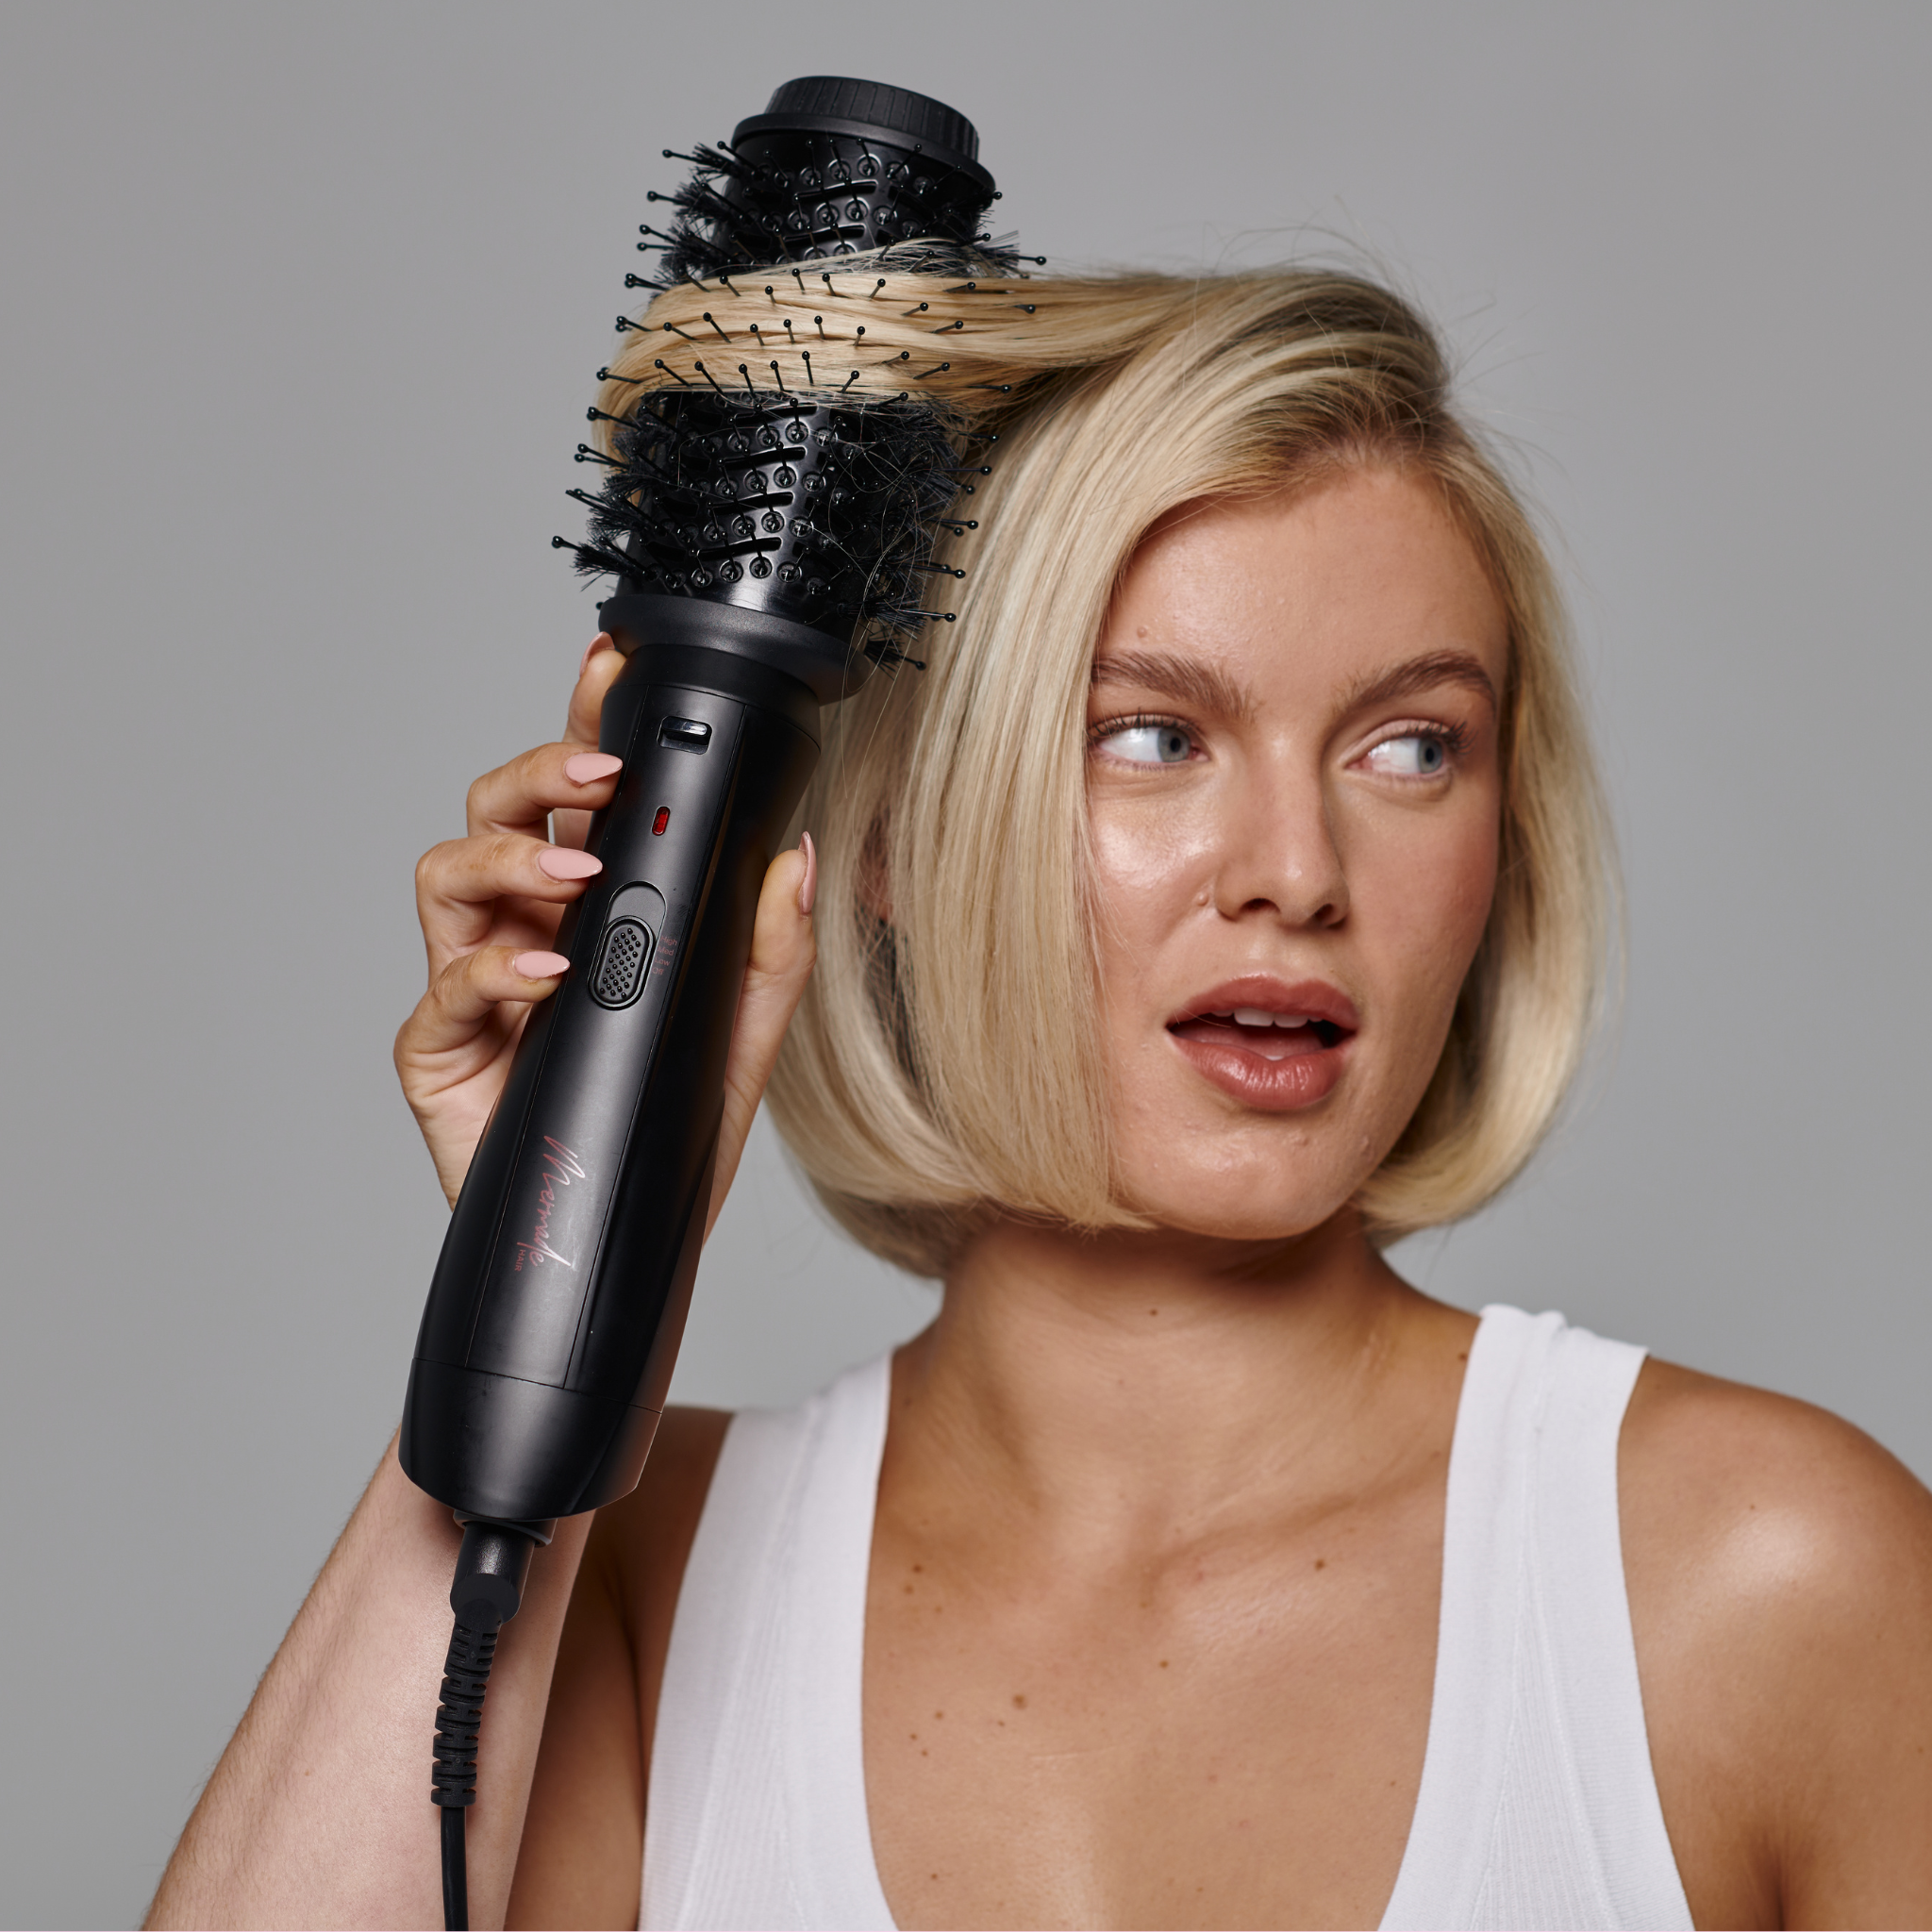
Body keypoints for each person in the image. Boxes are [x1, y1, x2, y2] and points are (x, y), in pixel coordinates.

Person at [148, 266, 1932, 1931]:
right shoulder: (624, 1582)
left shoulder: (1759, 1582)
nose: (1298, 874)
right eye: (1152, 734)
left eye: (1411, 747)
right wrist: (553, 1254)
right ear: (894, 839)